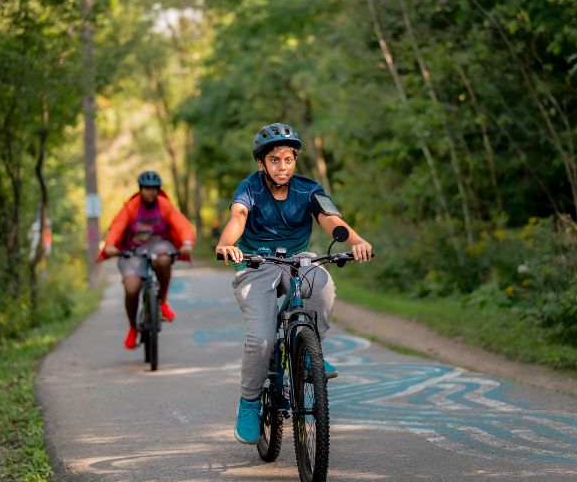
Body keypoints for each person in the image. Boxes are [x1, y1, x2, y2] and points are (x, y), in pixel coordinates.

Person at [214, 122, 373, 444]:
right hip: (256, 263)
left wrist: (355, 240)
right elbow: (238, 217)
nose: (282, 167)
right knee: (261, 339)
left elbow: (329, 218)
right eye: (275, 160)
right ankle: (249, 402)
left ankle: (308, 349)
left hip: (298, 259)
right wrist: (225, 244)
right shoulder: (250, 188)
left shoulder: (308, 188)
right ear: (262, 163)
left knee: (322, 285)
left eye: (288, 159)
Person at [99, 170, 196, 350]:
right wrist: (111, 245)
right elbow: (117, 226)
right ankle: (133, 328)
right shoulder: (131, 207)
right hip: (132, 251)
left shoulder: (164, 205)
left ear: (158, 190)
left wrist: (187, 242)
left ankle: (162, 303)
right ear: (140, 189)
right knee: (132, 287)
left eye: (154, 188)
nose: (150, 192)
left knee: (163, 259)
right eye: (147, 188)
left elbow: (182, 225)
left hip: (159, 245)